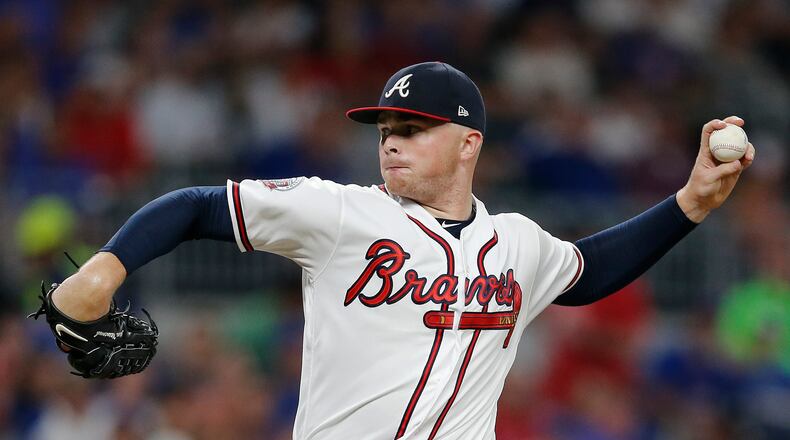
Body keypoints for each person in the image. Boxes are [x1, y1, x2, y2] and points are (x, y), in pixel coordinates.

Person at [44, 62, 755, 439]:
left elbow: (588, 271)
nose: (391, 139)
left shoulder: (516, 244)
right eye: (386, 125)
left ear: (469, 142)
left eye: (415, 128)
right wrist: (106, 268)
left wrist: (689, 203)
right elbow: (198, 206)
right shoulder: (341, 214)